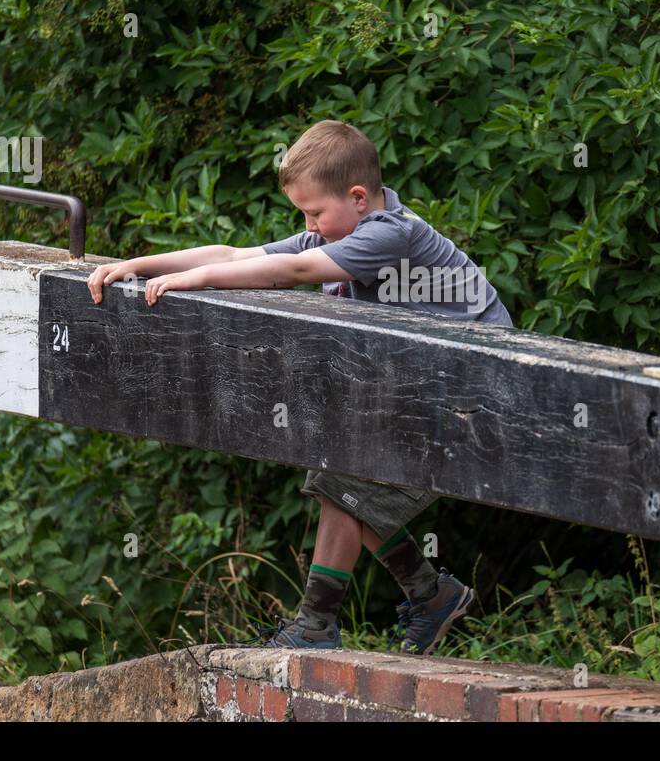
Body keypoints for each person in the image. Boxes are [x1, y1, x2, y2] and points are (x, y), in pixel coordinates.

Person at [86, 120, 513, 654]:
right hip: (433, 379)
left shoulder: (388, 233)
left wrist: (196, 282)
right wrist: (139, 265)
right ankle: (423, 597)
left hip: (480, 392)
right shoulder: (344, 228)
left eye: (314, 213)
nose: (308, 225)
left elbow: (289, 270)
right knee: (343, 480)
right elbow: (237, 256)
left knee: (340, 482)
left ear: (358, 198)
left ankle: (326, 623)